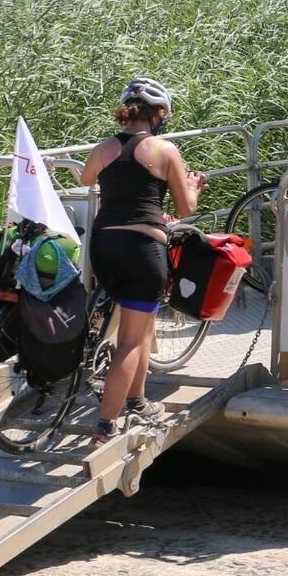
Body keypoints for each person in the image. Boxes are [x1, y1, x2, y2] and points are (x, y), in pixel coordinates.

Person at [78, 78, 206, 445]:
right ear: (158, 114)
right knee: (131, 341)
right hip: (142, 250)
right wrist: (193, 185)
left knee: (141, 321)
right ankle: (105, 426)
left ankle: (137, 399)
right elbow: (185, 208)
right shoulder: (164, 150)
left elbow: (87, 178)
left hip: (103, 247)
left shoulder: (104, 148)